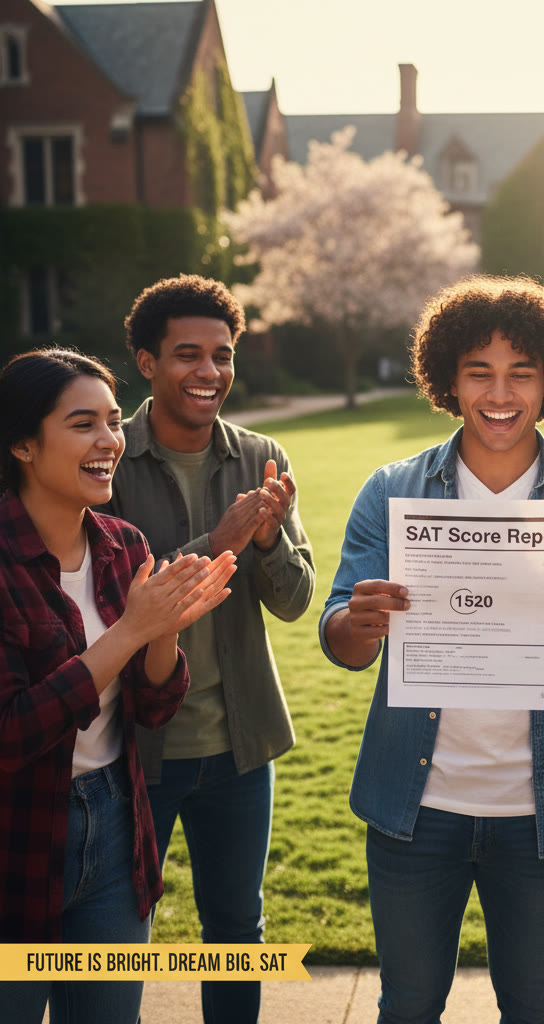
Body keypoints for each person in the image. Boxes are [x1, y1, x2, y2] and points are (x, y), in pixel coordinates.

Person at [320, 275, 544, 1024]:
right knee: (407, 1004)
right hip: (416, 805)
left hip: (539, 808)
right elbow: (342, 639)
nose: (500, 394)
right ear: (449, 380)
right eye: (480, 372)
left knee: (535, 1006)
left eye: (521, 373)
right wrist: (360, 620)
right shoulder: (394, 490)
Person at [99, 275, 315, 1024]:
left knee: (236, 929)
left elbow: (293, 602)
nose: (209, 371)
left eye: (222, 354)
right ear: (146, 362)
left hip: (238, 747)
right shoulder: (108, 460)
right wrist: (218, 544)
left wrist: (267, 537)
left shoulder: (262, 455)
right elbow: (111, 606)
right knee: (118, 934)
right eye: (187, 354)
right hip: (130, 747)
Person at [0, 348, 235, 1024]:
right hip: (19, 833)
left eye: (112, 421)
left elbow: (154, 706)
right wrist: (131, 631)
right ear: (22, 442)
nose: (110, 441)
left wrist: (165, 629)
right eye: (83, 425)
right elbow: (13, 732)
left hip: (114, 828)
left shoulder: (122, 545)